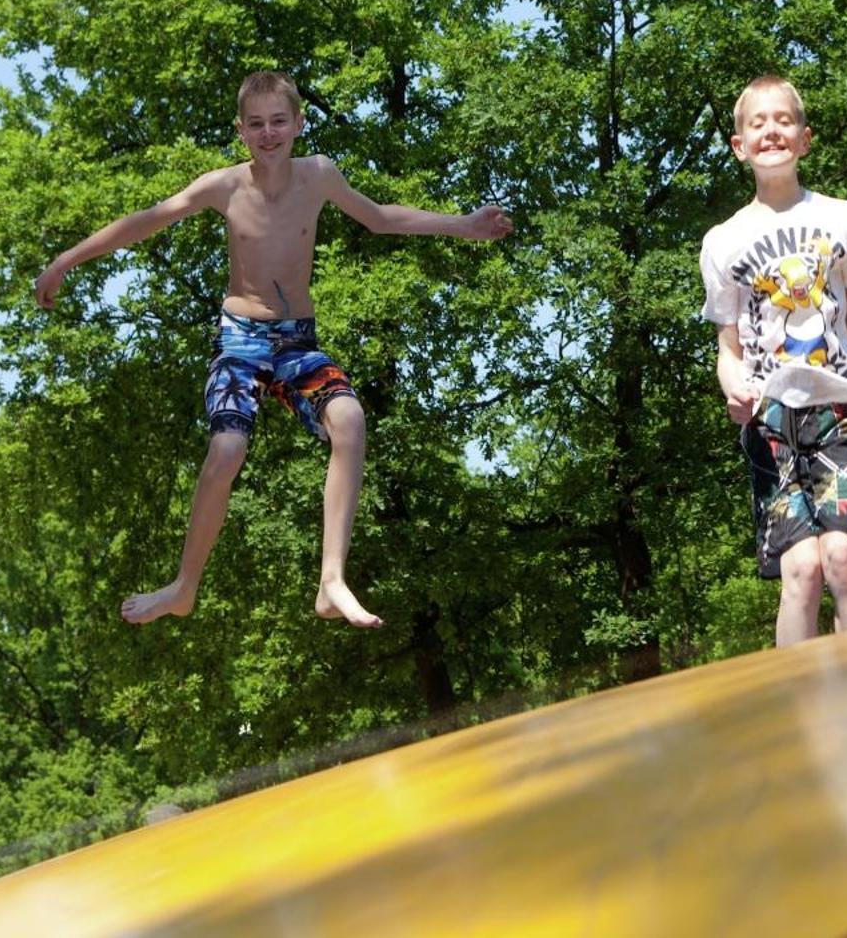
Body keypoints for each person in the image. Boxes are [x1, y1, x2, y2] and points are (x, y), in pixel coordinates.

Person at [32, 70, 512, 628]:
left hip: (296, 343)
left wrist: (464, 225)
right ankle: (184, 587)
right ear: (241, 131)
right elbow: (148, 221)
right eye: (256, 124)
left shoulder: (319, 176)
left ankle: (332, 580)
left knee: (350, 418)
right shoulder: (224, 187)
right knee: (228, 450)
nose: (268, 133)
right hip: (241, 341)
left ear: (298, 124)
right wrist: (67, 260)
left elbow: (380, 219)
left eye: (278, 121)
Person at [699, 75, 847, 647]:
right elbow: (729, 350)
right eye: (758, 123)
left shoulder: (844, 219)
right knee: (801, 568)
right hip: (771, 418)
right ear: (738, 145)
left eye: (784, 120)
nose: (772, 129)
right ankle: (794, 711)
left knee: (843, 557)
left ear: (805, 138)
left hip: (842, 407)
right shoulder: (722, 241)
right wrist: (734, 390)